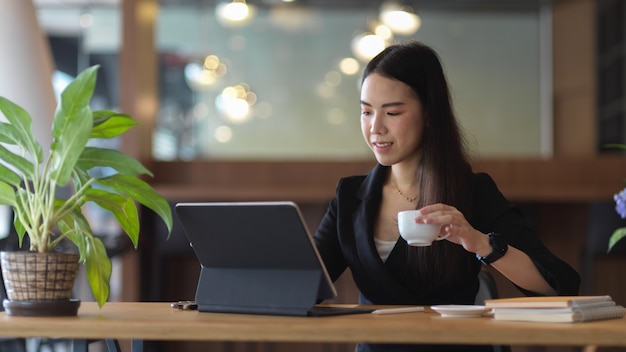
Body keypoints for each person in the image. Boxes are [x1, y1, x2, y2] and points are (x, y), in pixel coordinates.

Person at [313, 41, 581, 352]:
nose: (375, 127)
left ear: (429, 114)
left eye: (393, 112)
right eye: (366, 112)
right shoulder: (350, 197)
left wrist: (481, 242)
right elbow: (307, 284)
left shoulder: (471, 191)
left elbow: (558, 284)